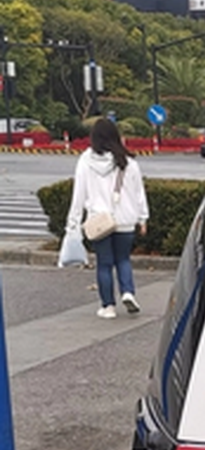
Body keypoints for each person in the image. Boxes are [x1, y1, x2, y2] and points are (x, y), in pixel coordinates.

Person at [65, 118, 149, 319]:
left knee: (104, 264)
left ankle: (108, 306)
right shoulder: (129, 162)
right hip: (125, 220)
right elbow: (139, 193)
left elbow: (79, 195)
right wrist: (143, 218)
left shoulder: (86, 161)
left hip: (99, 222)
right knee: (123, 259)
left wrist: (73, 223)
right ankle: (128, 292)